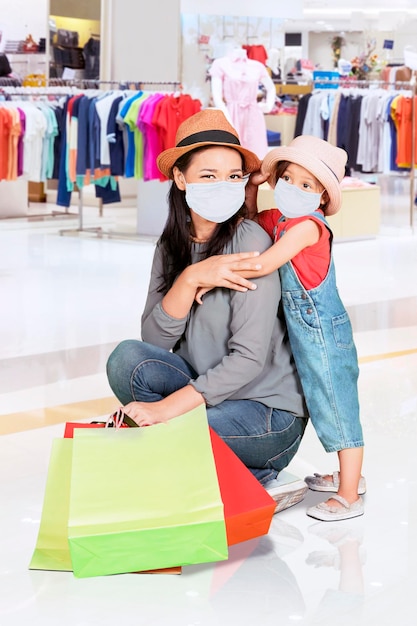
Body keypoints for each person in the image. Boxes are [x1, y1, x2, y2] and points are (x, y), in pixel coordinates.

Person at [106, 109, 309, 513]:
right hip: (212, 394)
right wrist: (191, 278)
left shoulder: (250, 240)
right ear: (181, 179)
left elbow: (248, 360)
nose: (225, 186)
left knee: (177, 429)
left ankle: (261, 475)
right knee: (125, 359)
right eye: (209, 175)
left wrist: (165, 409)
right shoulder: (171, 246)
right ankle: (209, 466)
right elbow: (155, 340)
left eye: (234, 176)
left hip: (266, 411)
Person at [198, 135, 365, 522]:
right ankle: (349, 476)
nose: (294, 189)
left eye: (307, 185)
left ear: (322, 196)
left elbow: (262, 263)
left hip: (324, 333)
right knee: (321, 404)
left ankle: (350, 493)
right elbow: (252, 221)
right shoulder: (282, 218)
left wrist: (212, 277)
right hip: (304, 332)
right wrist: (253, 185)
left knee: (337, 407)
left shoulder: (308, 227)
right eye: (288, 179)